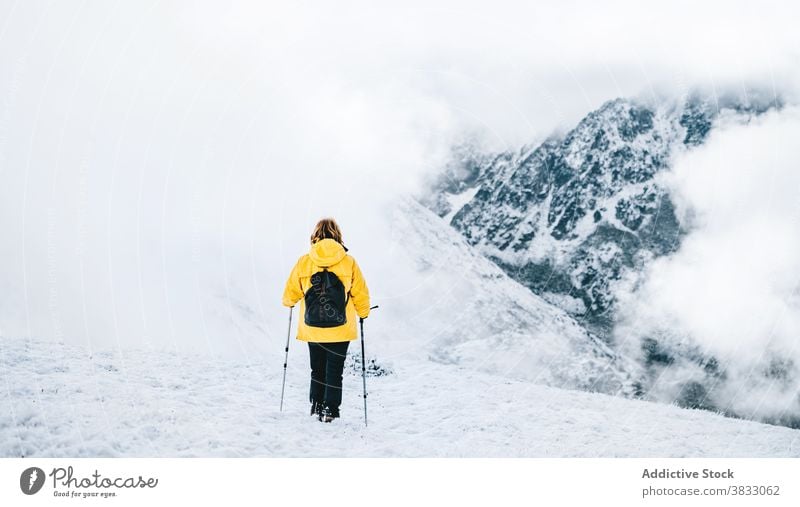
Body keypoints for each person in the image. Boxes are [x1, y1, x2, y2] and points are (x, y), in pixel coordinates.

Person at [282, 218, 371, 422]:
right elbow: (361, 293)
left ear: (315, 235)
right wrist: (363, 313)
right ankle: (330, 411)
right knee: (334, 371)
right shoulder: (349, 262)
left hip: (312, 328)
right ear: (337, 235)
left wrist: (289, 302)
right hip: (340, 329)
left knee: (317, 369)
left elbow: (289, 294)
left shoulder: (304, 262)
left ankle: (316, 405)